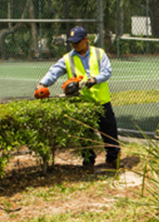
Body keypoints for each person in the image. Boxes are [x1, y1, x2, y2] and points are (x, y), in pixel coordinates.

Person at [36, 26, 120, 170]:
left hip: (101, 101)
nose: (74, 45)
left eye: (77, 42)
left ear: (86, 40)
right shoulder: (68, 58)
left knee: (109, 132)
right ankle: (88, 162)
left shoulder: (99, 54)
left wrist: (95, 80)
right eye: (72, 42)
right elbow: (54, 71)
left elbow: (107, 72)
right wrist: (42, 84)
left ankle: (113, 159)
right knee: (85, 134)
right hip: (81, 102)